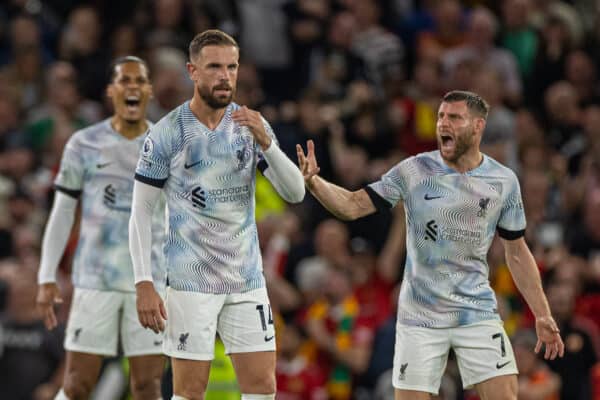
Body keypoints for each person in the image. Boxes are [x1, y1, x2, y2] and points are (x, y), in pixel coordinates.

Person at [296, 90, 565, 400]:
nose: (443, 124)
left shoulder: (502, 181)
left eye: (454, 117)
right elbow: (353, 205)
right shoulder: (414, 171)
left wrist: (542, 314)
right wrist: (315, 183)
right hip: (420, 315)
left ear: (478, 126)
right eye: (440, 116)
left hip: (475, 309)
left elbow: (517, 252)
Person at [128, 29, 305, 400]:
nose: (225, 76)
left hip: (246, 280)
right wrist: (144, 283)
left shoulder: (250, 127)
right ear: (192, 71)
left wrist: (268, 143)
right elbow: (141, 212)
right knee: (190, 391)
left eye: (232, 67)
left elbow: (295, 192)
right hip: (191, 282)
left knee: (263, 388)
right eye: (214, 67)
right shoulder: (168, 133)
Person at [36, 56, 167, 400]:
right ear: (111, 90)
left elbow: (179, 216)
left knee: (147, 386)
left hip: (150, 283)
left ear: (149, 90)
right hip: (96, 279)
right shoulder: (84, 143)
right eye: (125, 80)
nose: (133, 87)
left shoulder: (167, 145)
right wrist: (47, 275)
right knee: (77, 384)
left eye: (140, 80)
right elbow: (63, 211)